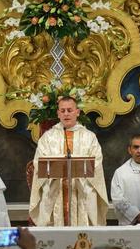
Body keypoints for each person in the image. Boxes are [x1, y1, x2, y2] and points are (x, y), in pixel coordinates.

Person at [29, 96, 108, 226]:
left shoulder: (89, 137)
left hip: (81, 190)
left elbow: (96, 163)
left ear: (77, 112)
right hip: (56, 189)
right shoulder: (48, 137)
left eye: (70, 110)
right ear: (58, 114)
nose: (66, 114)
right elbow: (39, 163)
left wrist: (76, 170)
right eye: (63, 110)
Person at [112, 135, 140, 226]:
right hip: (128, 224)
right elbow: (117, 198)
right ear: (129, 150)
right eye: (135, 147)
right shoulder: (120, 172)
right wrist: (136, 215)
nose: (139, 151)